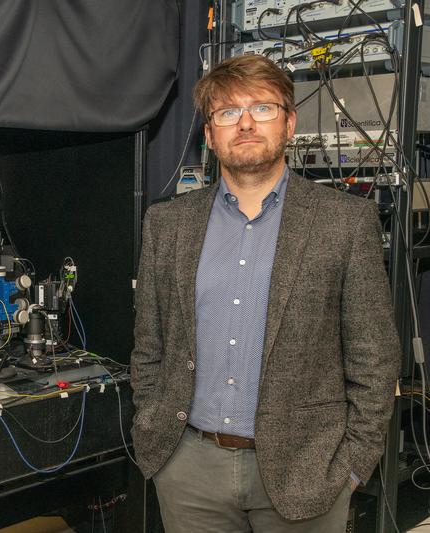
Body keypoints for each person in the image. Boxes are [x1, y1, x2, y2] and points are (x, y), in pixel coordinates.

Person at [130, 54, 400, 532]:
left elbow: (374, 357)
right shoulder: (167, 224)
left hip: (309, 469)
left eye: (264, 108)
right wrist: (156, 438)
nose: (247, 123)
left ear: (290, 123)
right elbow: (149, 343)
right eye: (228, 112)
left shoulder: (344, 222)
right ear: (210, 135)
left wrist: (354, 466)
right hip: (189, 469)